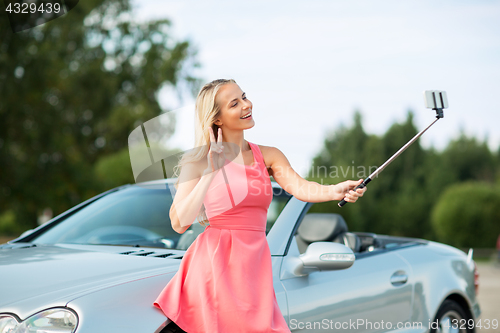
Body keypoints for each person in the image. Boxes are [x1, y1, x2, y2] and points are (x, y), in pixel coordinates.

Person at [153, 79, 366, 333]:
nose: (247, 104)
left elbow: (300, 187)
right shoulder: (198, 161)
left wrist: (334, 190)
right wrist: (210, 171)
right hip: (213, 268)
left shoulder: (267, 155)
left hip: (253, 268)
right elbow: (179, 223)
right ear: (217, 119)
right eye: (235, 103)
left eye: (244, 96)